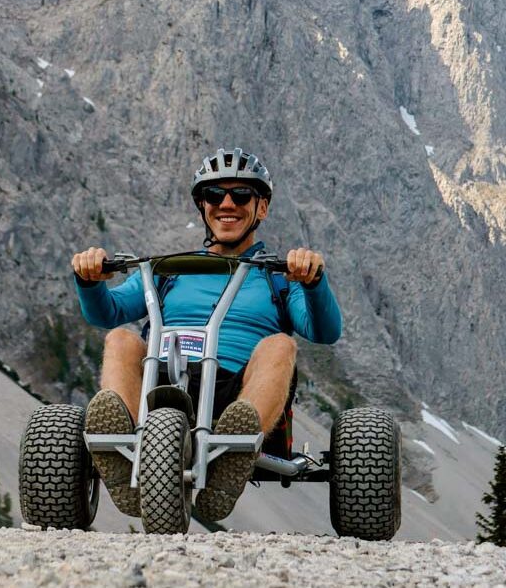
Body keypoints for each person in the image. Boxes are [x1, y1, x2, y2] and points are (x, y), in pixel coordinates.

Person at [72, 147, 342, 521]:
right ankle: (123, 453)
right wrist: (89, 281)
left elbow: (326, 332)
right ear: (202, 206)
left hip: (236, 389)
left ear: (261, 208)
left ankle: (234, 452)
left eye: (241, 195)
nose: (226, 204)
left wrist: (312, 282)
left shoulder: (278, 277)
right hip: (162, 382)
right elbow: (107, 312)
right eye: (214, 195)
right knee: (120, 339)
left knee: (281, 345)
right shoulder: (168, 271)